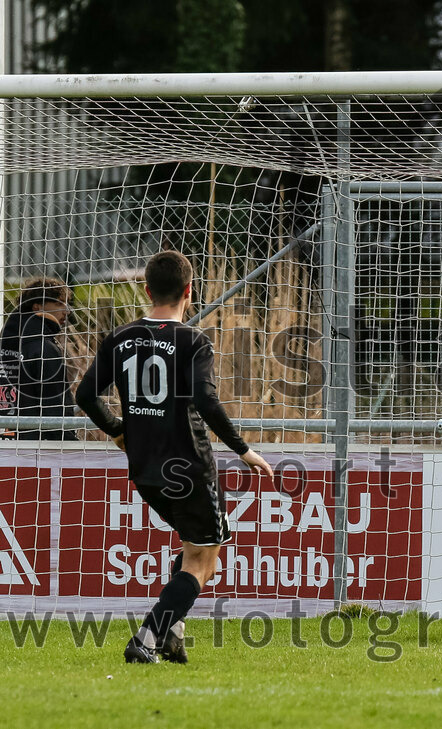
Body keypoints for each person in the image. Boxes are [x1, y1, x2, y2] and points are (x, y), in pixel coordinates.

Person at [76, 250, 274, 664]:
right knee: (204, 561)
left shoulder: (119, 338)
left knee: (198, 554)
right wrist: (243, 449)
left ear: (147, 290)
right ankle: (147, 638)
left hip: (145, 466)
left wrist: (117, 431)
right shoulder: (192, 340)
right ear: (190, 291)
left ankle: (171, 636)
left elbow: (85, 395)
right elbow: (205, 398)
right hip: (188, 464)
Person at [0, 277, 78, 440]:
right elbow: (55, 412)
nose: (67, 311)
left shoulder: (5, 344)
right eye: (59, 303)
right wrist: (72, 446)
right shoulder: (43, 349)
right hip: (37, 452)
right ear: (37, 306)